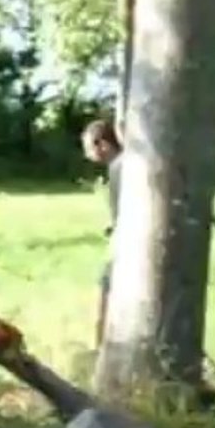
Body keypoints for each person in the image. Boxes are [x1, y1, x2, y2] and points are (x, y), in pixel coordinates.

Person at [81, 118, 123, 346]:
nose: (87, 153)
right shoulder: (122, 166)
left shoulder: (119, 168)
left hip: (123, 246)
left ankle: (101, 347)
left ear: (103, 145)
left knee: (105, 291)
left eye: (88, 146)